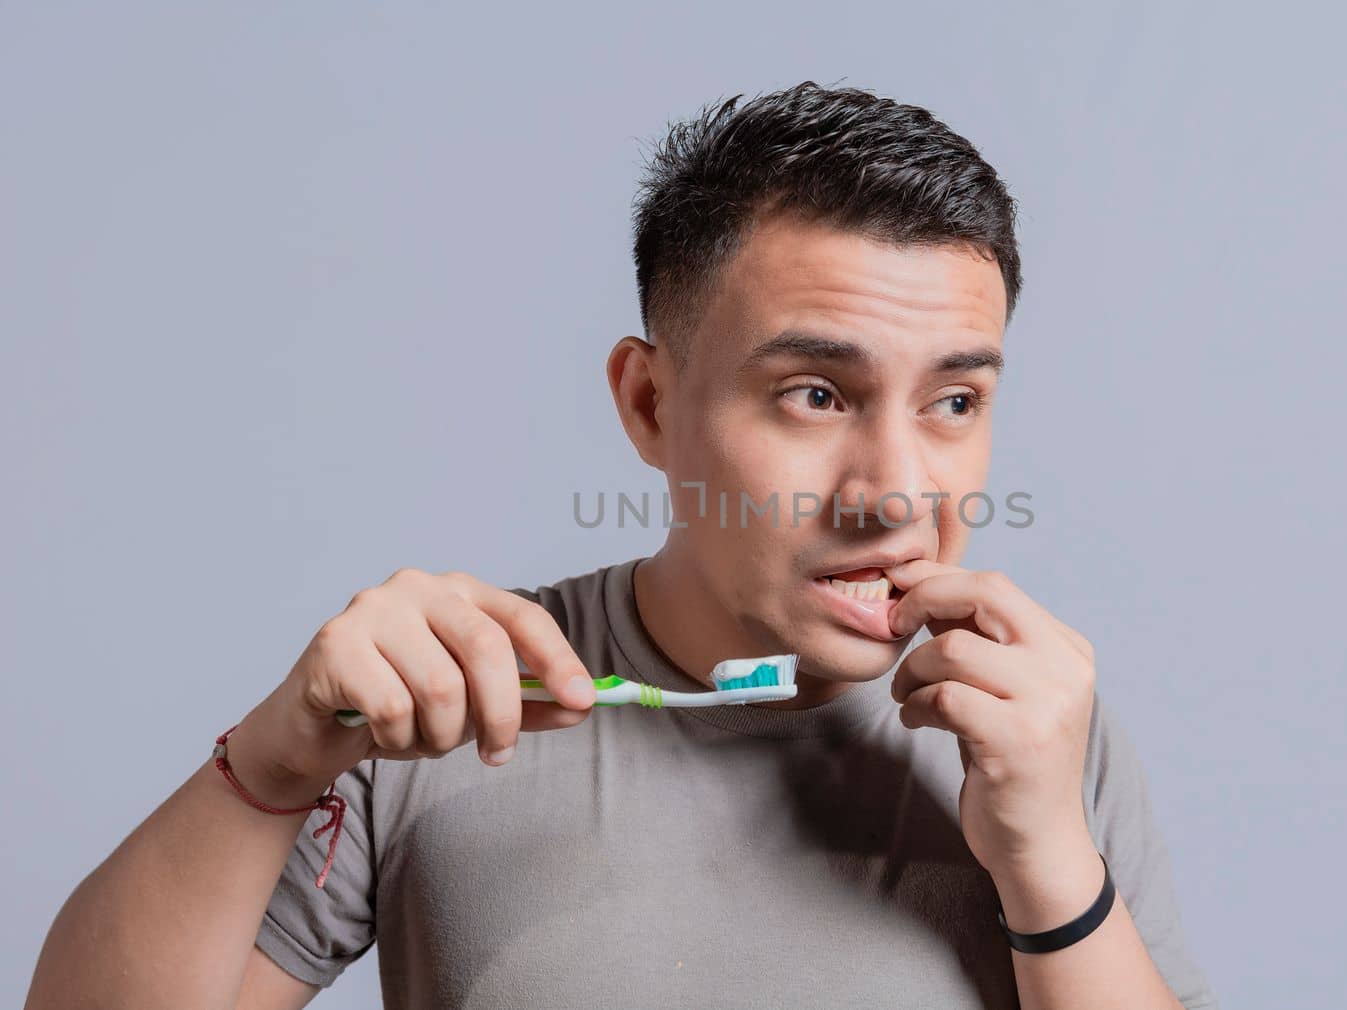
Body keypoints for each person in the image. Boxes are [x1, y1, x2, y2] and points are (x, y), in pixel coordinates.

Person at [27, 81, 1219, 1010]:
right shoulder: (449, 704)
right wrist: (273, 766)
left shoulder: (1037, 727)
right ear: (650, 404)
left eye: (954, 401)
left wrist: (1050, 860)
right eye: (813, 393)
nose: (897, 491)